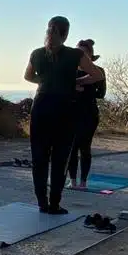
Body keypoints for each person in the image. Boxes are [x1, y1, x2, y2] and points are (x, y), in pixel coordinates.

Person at [24, 16, 104, 214]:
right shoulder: (75, 54)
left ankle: (41, 203)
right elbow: (97, 75)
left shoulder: (36, 53)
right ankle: (54, 203)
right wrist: (76, 83)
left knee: (39, 156)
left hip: (41, 105)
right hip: (64, 108)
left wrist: (45, 82)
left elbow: (27, 76)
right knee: (61, 157)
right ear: (66, 34)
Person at [67, 39, 106, 189]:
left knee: (85, 147)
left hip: (89, 112)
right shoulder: (70, 69)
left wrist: (84, 88)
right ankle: (72, 180)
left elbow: (101, 93)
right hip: (70, 112)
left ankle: (83, 181)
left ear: (89, 54)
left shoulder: (98, 71)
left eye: (82, 52)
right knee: (71, 147)